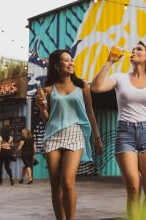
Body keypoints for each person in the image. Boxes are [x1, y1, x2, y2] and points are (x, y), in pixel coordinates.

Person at [91, 41, 146, 219]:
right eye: (132, 50)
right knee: (133, 188)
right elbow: (96, 87)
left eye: (138, 49)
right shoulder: (120, 78)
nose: (133, 51)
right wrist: (109, 62)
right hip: (125, 134)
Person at [36, 49, 103, 220]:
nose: (71, 63)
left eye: (71, 60)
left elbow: (90, 112)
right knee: (55, 186)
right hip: (53, 136)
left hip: (75, 134)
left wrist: (97, 137)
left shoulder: (83, 86)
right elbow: (47, 119)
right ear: (57, 66)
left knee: (67, 182)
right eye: (66, 60)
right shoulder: (47, 90)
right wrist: (43, 108)